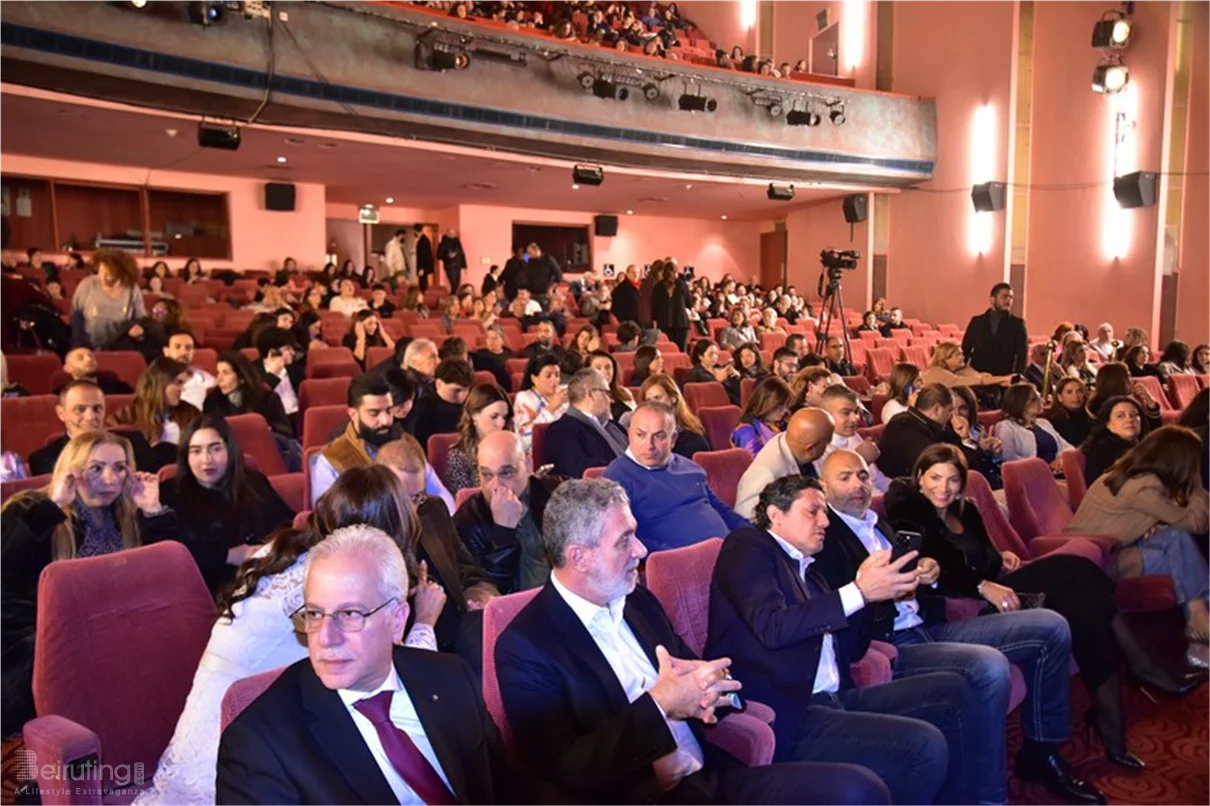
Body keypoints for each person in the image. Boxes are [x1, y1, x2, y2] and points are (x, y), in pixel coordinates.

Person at [494, 478, 892, 806]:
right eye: (625, 540)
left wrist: (711, 686)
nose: (641, 550)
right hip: (644, 796)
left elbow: (697, 671)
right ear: (579, 557)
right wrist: (661, 706)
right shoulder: (526, 645)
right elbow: (566, 767)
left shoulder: (637, 600)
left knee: (860, 791)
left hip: (712, 779)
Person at [815, 449, 1105, 805]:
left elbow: (919, 577)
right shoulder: (824, 538)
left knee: (1051, 627)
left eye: (861, 476)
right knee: (989, 666)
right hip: (894, 646)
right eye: (844, 478)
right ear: (823, 486)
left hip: (930, 625)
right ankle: (989, 797)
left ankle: (1041, 753)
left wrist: (929, 574)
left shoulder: (879, 524)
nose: (857, 485)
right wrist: (870, 590)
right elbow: (835, 605)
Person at [137, 468, 443, 805]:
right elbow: (392, 680)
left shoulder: (282, 548)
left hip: (205, 733)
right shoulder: (340, 583)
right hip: (253, 753)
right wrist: (425, 620)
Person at [886, 445, 1200, 771]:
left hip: (996, 591)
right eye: (935, 478)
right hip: (967, 606)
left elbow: (986, 561)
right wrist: (981, 584)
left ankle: (1113, 709)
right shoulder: (910, 511)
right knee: (1075, 573)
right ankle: (1136, 672)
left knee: (1081, 584)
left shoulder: (964, 510)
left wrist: (998, 562)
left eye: (953, 480)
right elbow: (938, 571)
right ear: (919, 478)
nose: (944, 487)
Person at [709, 475, 977, 805]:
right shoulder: (747, 546)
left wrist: (874, 594)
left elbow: (853, 650)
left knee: (953, 690)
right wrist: (859, 591)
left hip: (838, 696)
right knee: (923, 744)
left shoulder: (812, 571)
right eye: (813, 512)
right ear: (776, 515)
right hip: (791, 712)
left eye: (825, 512)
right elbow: (772, 626)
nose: (825, 521)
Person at [215, 524, 523, 804]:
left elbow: (510, 789)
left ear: (397, 619)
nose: (325, 638)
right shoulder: (259, 745)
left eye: (350, 614)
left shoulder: (451, 678)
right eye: (314, 614)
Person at [0, 432, 177, 736]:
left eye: (120, 468)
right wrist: (52, 506)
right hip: (39, 633)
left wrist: (153, 512)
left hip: (112, 627)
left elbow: (172, 576)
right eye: (96, 468)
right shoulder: (32, 508)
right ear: (73, 469)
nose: (110, 478)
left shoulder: (128, 514)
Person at [1067, 427, 1210, 664]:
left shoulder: (1128, 475)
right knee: (1179, 541)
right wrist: (1196, 482)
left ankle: (1199, 630)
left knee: (1176, 540)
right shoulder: (1143, 487)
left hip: (1107, 553)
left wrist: (1151, 525)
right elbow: (1198, 523)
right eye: (1194, 461)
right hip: (1096, 566)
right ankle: (1199, 628)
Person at [375, 437, 499, 661]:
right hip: (412, 650)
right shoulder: (371, 535)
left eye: (418, 497)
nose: (413, 509)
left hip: (460, 634)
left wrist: (481, 594)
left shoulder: (433, 510)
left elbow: (467, 568)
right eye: (404, 499)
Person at [160, 416, 294, 593]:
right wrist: (229, 555)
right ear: (185, 456)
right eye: (196, 451)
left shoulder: (253, 481)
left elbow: (287, 524)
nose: (207, 459)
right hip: (214, 590)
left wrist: (270, 548)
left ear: (230, 450)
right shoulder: (169, 494)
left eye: (215, 449)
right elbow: (174, 558)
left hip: (269, 578)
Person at [603, 402, 749, 550]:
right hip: (683, 563)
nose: (649, 445)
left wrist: (755, 535)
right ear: (629, 434)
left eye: (659, 436)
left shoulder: (690, 467)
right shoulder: (615, 479)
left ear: (673, 439)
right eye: (641, 435)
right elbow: (629, 539)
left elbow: (720, 509)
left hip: (729, 552)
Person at [453, 431, 563, 594]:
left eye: (506, 473)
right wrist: (503, 533)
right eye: (487, 475)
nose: (495, 485)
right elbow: (487, 593)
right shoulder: (467, 520)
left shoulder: (556, 494)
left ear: (528, 465)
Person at [734, 408, 834, 519]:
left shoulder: (797, 443)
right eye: (827, 443)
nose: (828, 447)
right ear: (811, 448)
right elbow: (747, 521)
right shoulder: (767, 473)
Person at [110, 357, 200, 464]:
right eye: (178, 383)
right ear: (161, 383)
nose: (182, 389)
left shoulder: (190, 412)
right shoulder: (127, 414)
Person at [544, 368, 629, 479]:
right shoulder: (562, 430)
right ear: (591, 394)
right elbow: (578, 470)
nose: (611, 400)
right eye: (607, 393)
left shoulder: (614, 426)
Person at [204, 350, 295, 440]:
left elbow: (285, 430)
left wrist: (267, 430)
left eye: (226, 373)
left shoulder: (268, 398)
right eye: (218, 373)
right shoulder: (212, 401)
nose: (219, 379)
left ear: (242, 377)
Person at [814, 384, 890, 490]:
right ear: (826, 415)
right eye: (846, 413)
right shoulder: (819, 452)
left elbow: (878, 479)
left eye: (856, 411)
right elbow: (836, 495)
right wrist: (861, 459)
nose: (855, 418)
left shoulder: (853, 437)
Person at [70, 248, 147, 349]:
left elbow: (140, 319)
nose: (103, 276)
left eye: (109, 273)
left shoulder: (132, 289)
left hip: (120, 348)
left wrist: (138, 332)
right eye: (101, 271)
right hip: (89, 347)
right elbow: (75, 316)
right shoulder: (87, 284)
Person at [445, 383, 511, 493]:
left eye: (504, 417)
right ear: (474, 415)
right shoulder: (459, 456)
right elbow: (465, 500)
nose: (501, 424)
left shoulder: (510, 449)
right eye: (494, 417)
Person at [993, 383, 1073, 467]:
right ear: (1020, 403)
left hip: (1057, 471)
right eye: (1035, 399)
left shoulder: (1044, 423)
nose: (1042, 401)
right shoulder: (1006, 427)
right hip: (1031, 475)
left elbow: (1066, 447)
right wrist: (1045, 466)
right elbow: (1008, 459)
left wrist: (1060, 460)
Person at [962, 282, 1028, 378]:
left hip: (1004, 378)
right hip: (979, 378)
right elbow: (965, 350)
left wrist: (1018, 377)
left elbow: (1022, 355)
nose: (1008, 300)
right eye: (1004, 297)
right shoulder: (977, 322)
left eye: (1011, 297)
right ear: (992, 299)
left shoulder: (1017, 324)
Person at [639, 374, 711, 459]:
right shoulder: (643, 438)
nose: (653, 404)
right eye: (648, 401)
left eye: (657, 398)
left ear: (673, 398)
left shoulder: (692, 440)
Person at [1079, 395, 1145, 484]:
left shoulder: (1143, 445)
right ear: (1107, 423)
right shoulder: (1103, 451)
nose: (1129, 419)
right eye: (1120, 416)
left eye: (1134, 415)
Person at [411, 358, 474, 448]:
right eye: (457, 391)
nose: (463, 396)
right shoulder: (422, 409)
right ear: (438, 384)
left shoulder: (473, 401)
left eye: (467, 390)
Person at [513, 352, 568, 453]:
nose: (555, 380)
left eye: (557, 375)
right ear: (534, 378)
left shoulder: (565, 392)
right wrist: (550, 409)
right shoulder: (524, 398)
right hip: (542, 452)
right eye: (548, 376)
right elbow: (524, 439)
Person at [730, 376, 791, 458]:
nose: (784, 411)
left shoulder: (782, 423)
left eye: (786, 405)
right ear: (764, 403)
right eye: (778, 406)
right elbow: (754, 461)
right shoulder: (745, 429)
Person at [254, 326, 304, 423]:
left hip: (298, 419)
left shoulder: (296, 371)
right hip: (274, 423)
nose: (293, 353)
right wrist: (273, 376)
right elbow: (257, 403)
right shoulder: (253, 371)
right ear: (273, 352)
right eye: (287, 349)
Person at [162, 330, 216, 410]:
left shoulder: (202, 376)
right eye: (177, 347)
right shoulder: (156, 377)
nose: (184, 352)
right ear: (166, 351)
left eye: (188, 348)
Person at [922, 341, 1013, 389]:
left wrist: (1000, 382)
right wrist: (1004, 378)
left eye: (962, 354)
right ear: (945, 358)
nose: (963, 357)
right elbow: (975, 380)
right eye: (958, 355)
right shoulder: (936, 372)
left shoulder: (960, 369)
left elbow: (979, 377)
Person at [688, 338, 742, 405]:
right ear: (700, 356)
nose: (714, 357)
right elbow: (703, 393)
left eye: (716, 354)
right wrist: (717, 380)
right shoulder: (696, 373)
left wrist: (738, 376)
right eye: (710, 354)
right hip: (716, 403)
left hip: (734, 400)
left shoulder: (719, 367)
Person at [651, 263, 691, 351]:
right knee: (681, 351)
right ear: (676, 272)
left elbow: (654, 306)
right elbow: (689, 303)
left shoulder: (658, 286)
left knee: (667, 350)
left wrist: (654, 319)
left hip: (664, 322)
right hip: (681, 322)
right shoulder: (682, 285)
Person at [587, 349, 635, 421]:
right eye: (598, 368)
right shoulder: (583, 397)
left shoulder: (624, 393)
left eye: (608, 367)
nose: (604, 372)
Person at [1046, 377, 1095, 448]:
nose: (1076, 396)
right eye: (1069, 392)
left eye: (1079, 391)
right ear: (1059, 397)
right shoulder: (1056, 420)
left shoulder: (1091, 414)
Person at [470, 325, 513, 389]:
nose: (491, 341)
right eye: (488, 338)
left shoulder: (509, 353)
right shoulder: (480, 355)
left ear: (502, 340)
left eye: (495, 338)